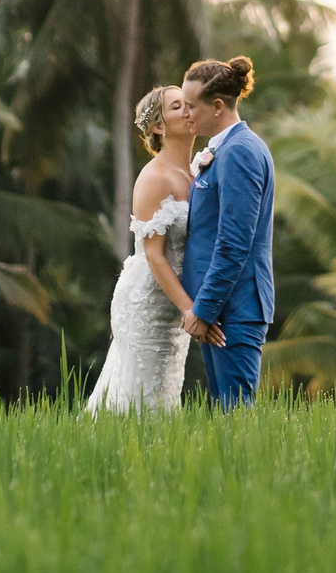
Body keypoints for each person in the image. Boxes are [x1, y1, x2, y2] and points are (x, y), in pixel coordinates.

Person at [84, 86, 198, 413]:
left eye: (190, 105)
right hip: (148, 301)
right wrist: (190, 309)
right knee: (140, 395)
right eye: (178, 107)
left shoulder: (195, 172)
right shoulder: (155, 178)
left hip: (173, 303)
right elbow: (153, 254)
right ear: (159, 126)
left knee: (165, 390)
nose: (189, 111)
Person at [175, 55, 275, 407]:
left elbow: (234, 242)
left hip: (235, 308)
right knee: (224, 425)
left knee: (236, 424)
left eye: (190, 106)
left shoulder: (240, 153)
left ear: (217, 106)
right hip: (221, 309)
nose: (185, 113)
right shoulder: (224, 149)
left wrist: (203, 310)